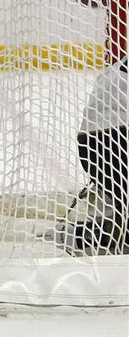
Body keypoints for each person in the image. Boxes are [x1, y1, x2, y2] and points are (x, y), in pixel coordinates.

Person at [60, 56, 128, 256]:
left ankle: (97, 230)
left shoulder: (116, 70)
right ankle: (100, 232)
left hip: (92, 149)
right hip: (117, 143)